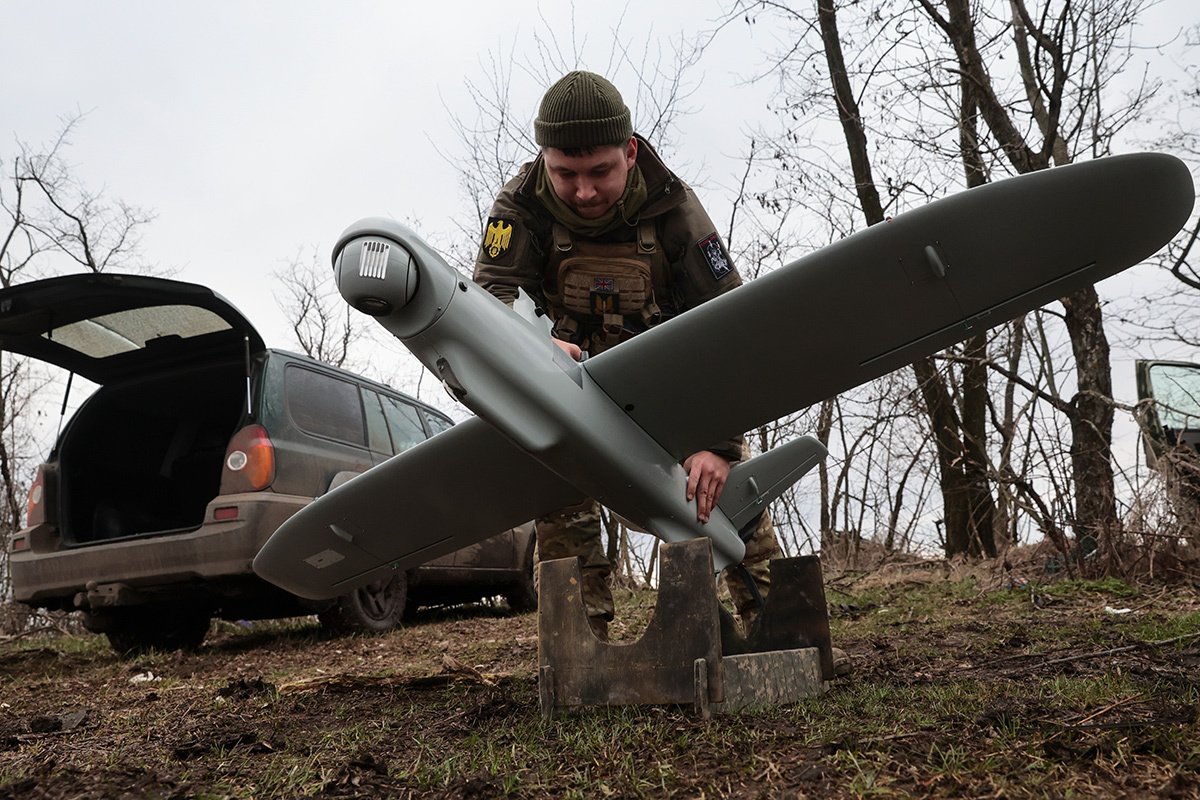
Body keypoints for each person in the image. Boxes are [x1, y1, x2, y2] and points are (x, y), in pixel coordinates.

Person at [473, 70, 781, 641]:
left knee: (726, 499)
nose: (584, 192)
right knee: (561, 509)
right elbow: (490, 297)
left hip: (668, 389)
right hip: (569, 390)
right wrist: (529, 344)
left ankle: (778, 629)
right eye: (565, 174)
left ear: (630, 152)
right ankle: (579, 654)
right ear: (544, 159)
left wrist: (718, 445)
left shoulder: (673, 208)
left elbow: (734, 325)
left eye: (600, 172)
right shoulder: (520, 206)